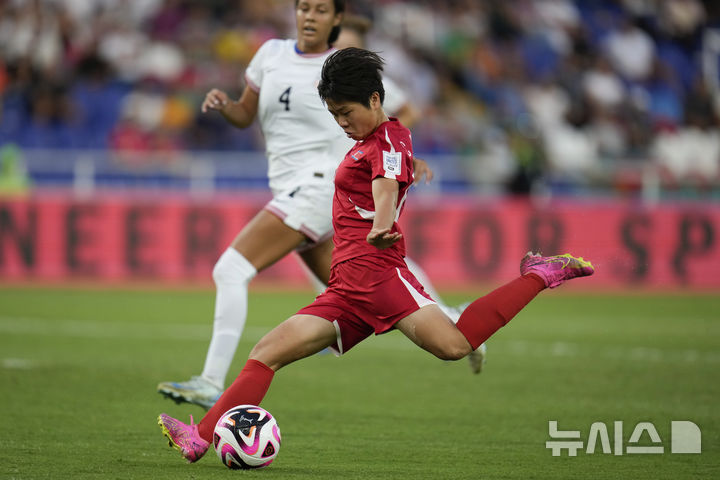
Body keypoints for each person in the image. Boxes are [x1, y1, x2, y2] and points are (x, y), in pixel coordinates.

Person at [157, 47, 595, 463]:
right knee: (267, 352)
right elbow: (386, 176)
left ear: (374, 98)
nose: (342, 123)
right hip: (346, 289)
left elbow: (385, 188)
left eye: (346, 113)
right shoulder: (378, 140)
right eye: (334, 115)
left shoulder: (388, 140)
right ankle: (199, 439)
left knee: (454, 345)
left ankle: (539, 274)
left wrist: (383, 226)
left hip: (380, 277)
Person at [156, 0, 482, 413]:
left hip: (322, 186)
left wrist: (398, 157)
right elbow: (245, 114)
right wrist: (227, 108)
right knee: (367, 287)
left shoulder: (343, 68)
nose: (310, 16)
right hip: (292, 190)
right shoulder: (270, 54)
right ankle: (457, 321)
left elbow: (396, 114)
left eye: (321, 9)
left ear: (337, 19)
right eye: (304, 7)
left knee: (231, 268)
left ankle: (210, 382)